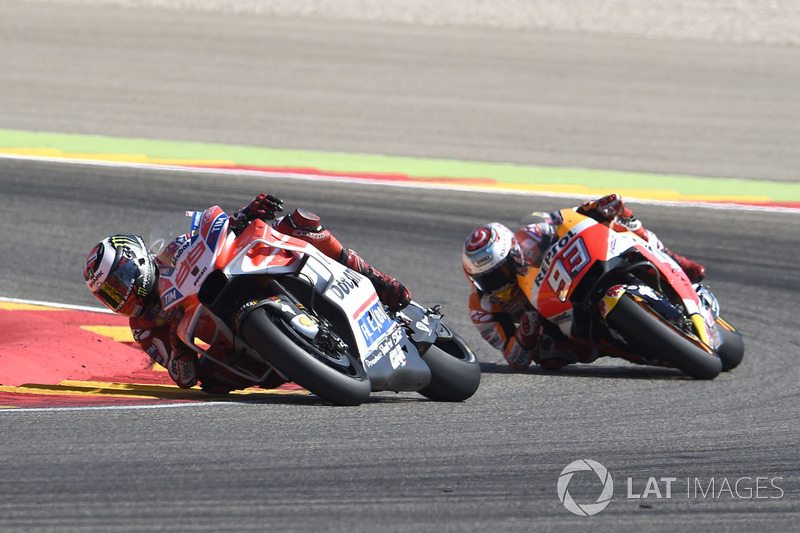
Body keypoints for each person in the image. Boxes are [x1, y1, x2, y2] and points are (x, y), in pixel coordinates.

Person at [83, 193, 411, 392]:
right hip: (233, 337)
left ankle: (374, 278)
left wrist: (247, 213)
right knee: (211, 382)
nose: (119, 296)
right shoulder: (143, 327)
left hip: (239, 273)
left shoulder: (171, 249)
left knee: (296, 223)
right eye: (109, 295)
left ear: (137, 262)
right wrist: (176, 339)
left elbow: (214, 230)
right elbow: (183, 376)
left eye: (117, 283)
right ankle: (289, 360)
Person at [461, 193, 707, 371]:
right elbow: (514, 358)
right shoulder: (481, 308)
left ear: (514, 255)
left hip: (573, 274)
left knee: (620, 220)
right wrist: (525, 335)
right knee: (549, 357)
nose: (496, 284)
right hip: (554, 318)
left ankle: (672, 258)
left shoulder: (531, 235)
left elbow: (564, 219)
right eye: (485, 279)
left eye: (500, 272)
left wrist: (595, 208)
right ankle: (628, 346)